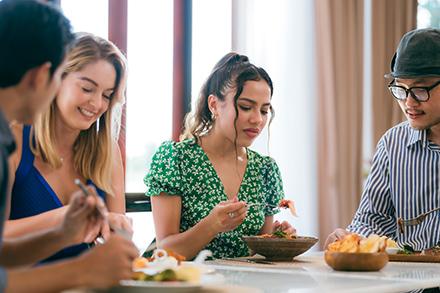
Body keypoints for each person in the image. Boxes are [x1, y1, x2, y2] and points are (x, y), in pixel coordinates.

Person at [0, 0, 138, 291]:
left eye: (108, 95)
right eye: (87, 88)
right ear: (48, 77)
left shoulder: (106, 151)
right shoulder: (10, 140)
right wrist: (65, 226)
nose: (97, 104)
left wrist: (78, 233)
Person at [144, 52, 295, 259]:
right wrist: (212, 225)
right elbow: (165, 251)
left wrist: (276, 240)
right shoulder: (175, 159)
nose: (257, 119)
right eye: (246, 107)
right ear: (214, 105)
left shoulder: (265, 169)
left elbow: (260, 249)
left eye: (264, 110)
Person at [325, 28, 440, 252]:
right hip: (410, 284)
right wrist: (350, 237)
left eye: (420, 89)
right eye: (401, 89)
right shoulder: (392, 144)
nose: (409, 102)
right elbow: (372, 219)